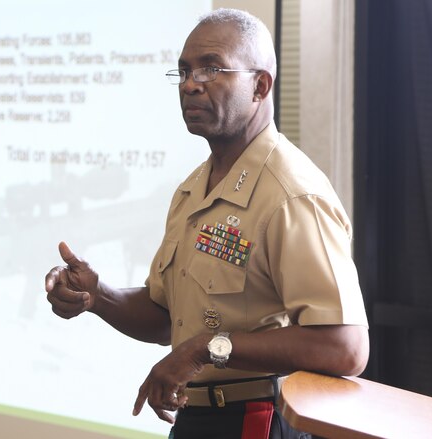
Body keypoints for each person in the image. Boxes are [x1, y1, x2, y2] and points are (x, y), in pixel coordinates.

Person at [45, 8, 369, 439]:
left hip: (257, 418)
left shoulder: (292, 195)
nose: (190, 84)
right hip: (196, 418)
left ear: (260, 86)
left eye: (211, 68)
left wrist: (206, 349)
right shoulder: (193, 188)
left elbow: (344, 348)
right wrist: (96, 295)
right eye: (182, 71)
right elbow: (166, 318)